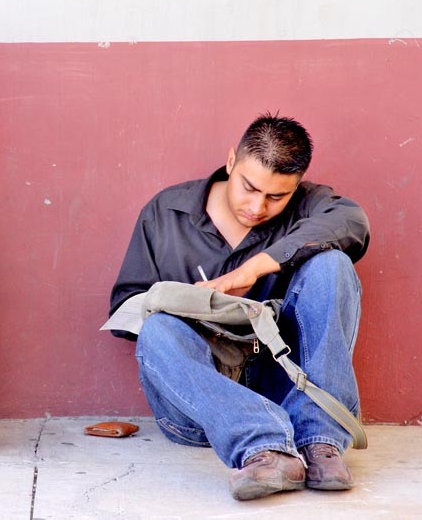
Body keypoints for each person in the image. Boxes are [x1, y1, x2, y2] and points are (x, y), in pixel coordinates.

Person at [109, 112, 370, 501]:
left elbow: (352, 221)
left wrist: (256, 268)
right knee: (156, 330)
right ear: (232, 161)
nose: (257, 206)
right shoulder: (166, 212)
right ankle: (264, 448)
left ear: (296, 187)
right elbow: (125, 309)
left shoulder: (311, 206)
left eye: (276, 196)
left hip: (286, 387)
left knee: (332, 265)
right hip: (201, 406)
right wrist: (193, 308)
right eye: (248, 187)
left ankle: (318, 442)